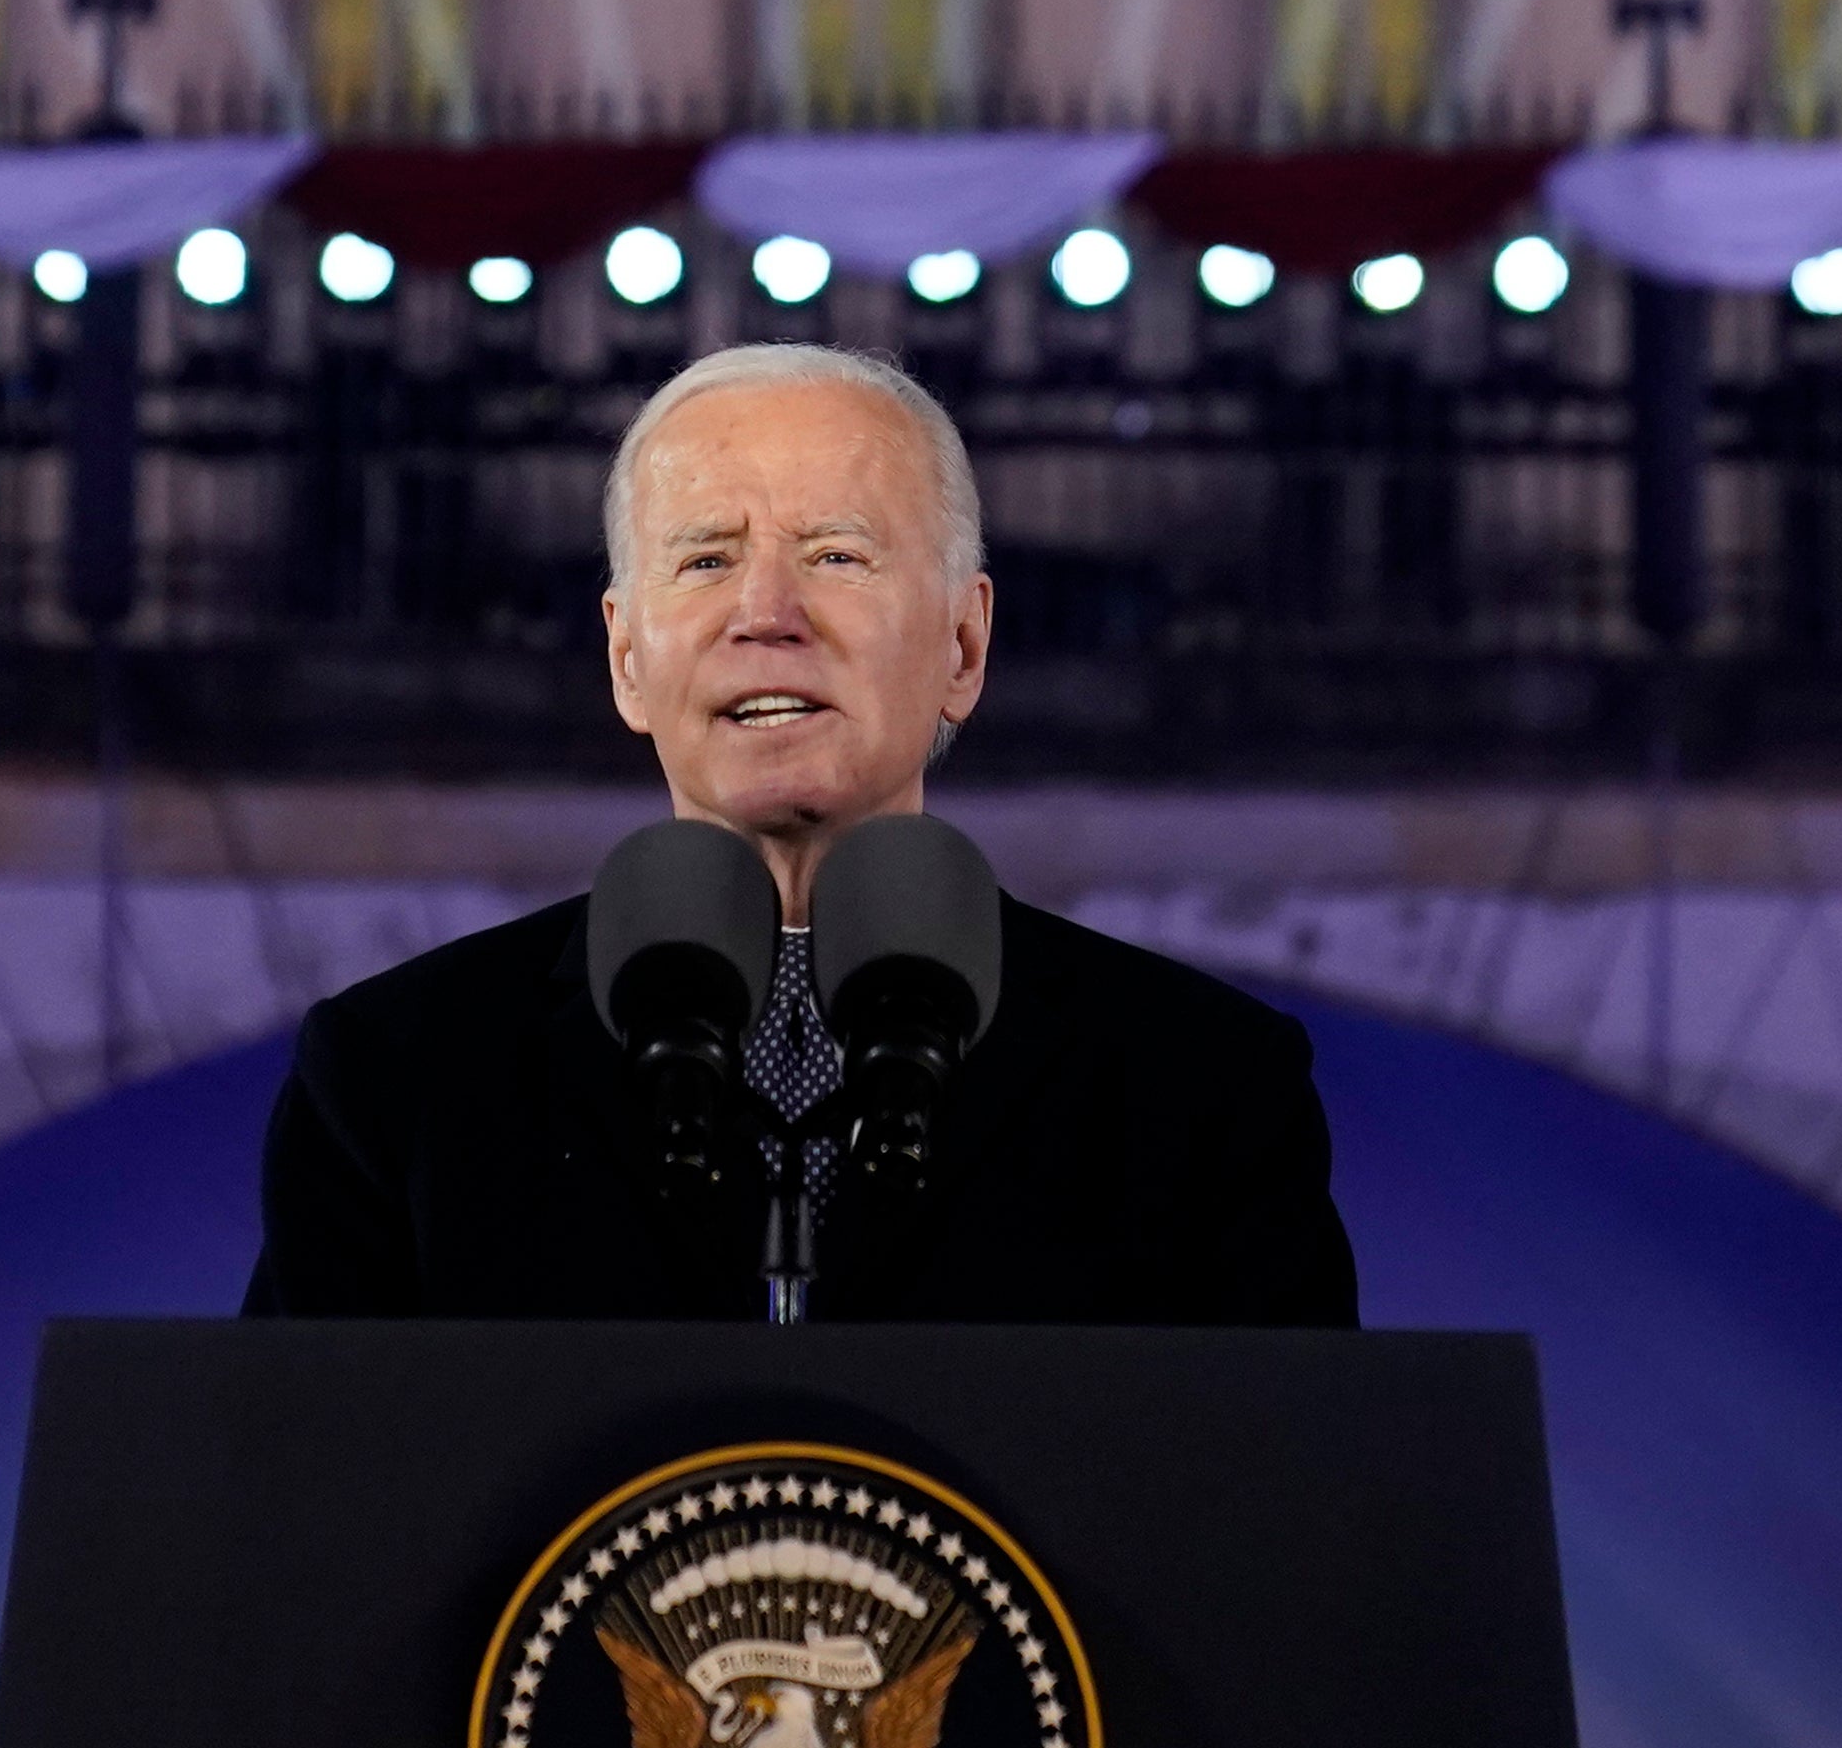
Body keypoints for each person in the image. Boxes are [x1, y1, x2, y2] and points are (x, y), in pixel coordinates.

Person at [245, 340, 1356, 1323]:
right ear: (627, 658)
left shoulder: (1201, 1089)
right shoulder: (400, 1079)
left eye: (835, 552)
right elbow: (297, 1509)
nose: (766, 610)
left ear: (963, 645)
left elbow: (1302, 1524)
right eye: (705, 559)